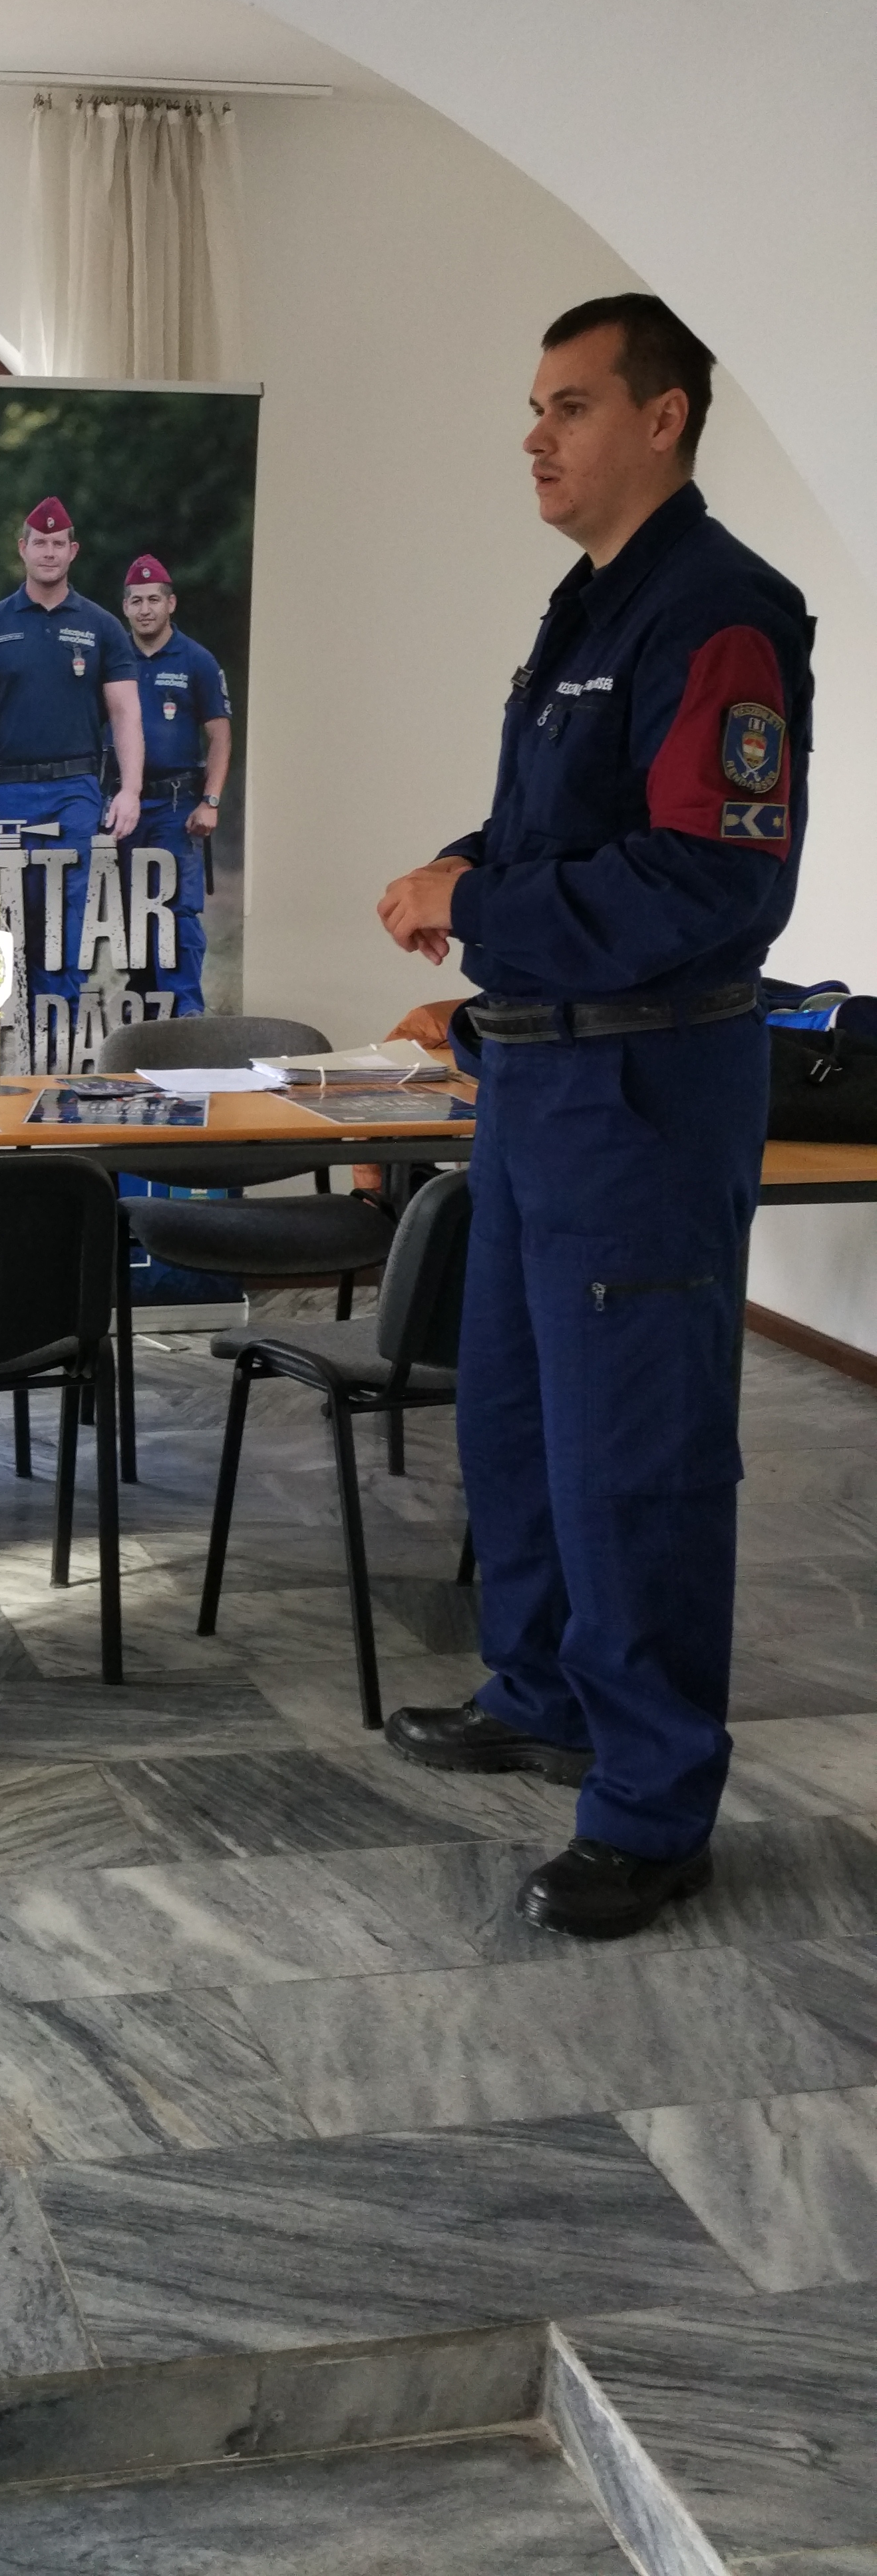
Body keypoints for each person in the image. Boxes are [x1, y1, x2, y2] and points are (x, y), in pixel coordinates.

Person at [376, 292, 811, 1940]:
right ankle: (546, 1689)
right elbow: (559, 826)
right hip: (540, 1082)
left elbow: (712, 879)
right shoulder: (589, 607)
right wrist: (464, 868)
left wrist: (481, 906)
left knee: (635, 1454)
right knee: (516, 1421)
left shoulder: (719, 613)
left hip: (641, 1090)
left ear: (662, 417)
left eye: (567, 405)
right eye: (535, 407)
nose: (534, 437)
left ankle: (648, 1803)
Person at [0, 499, 142, 1052]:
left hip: (74, 791)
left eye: (59, 544)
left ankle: (58, 1033)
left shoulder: (102, 627)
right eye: (40, 542)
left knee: (67, 914)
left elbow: (127, 714)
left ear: (72, 551)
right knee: (6, 917)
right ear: (23, 549)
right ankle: (8, 1030)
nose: (49, 552)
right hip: (6, 792)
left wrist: (130, 789)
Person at [117, 552, 232, 1015]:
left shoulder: (196, 660)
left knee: (175, 912)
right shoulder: (113, 658)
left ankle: (185, 1019)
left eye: (154, 600)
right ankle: (144, 1019)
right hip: (120, 806)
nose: (145, 609)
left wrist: (211, 801)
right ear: (125, 607)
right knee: (128, 914)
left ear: (171, 604)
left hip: (175, 805)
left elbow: (220, 735)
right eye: (136, 601)